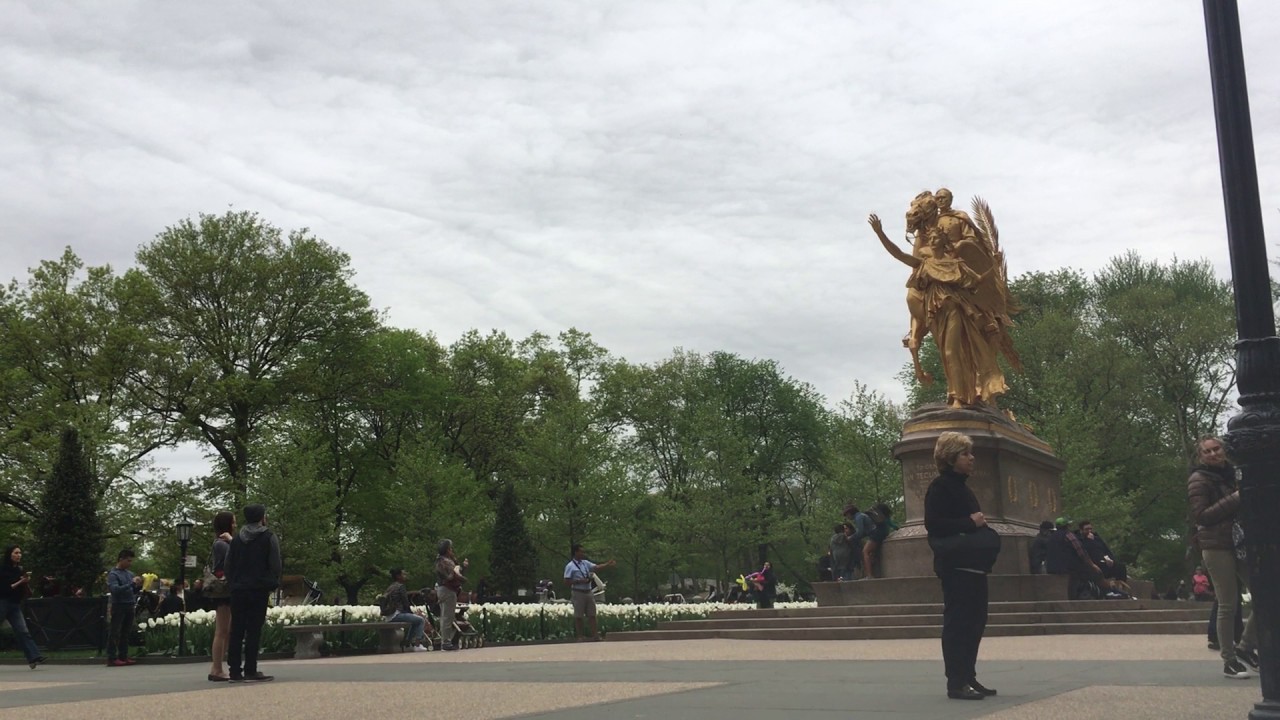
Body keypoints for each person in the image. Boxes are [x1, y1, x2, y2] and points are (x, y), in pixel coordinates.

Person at [924, 432, 997, 701]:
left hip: (973, 566)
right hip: (956, 567)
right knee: (959, 624)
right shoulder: (940, 487)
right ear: (951, 457)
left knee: (975, 622)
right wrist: (971, 522)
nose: (971, 458)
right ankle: (955, 682)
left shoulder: (963, 487)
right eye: (965, 453)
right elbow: (934, 525)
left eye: (970, 453)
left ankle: (969, 675)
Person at [1187, 435, 1259, 678]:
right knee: (1228, 603)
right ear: (1201, 456)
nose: (1213, 454)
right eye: (1207, 451)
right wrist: (1237, 497)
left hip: (1240, 542)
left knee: (1267, 595)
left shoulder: (1234, 474)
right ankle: (1229, 660)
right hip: (1216, 546)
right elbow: (1202, 516)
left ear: (1224, 450)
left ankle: (1246, 647)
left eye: (1216, 449)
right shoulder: (1199, 479)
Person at [224, 503, 281, 683]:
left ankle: (234, 671)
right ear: (261, 517)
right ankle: (251, 669)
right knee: (254, 630)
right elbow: (275, 564)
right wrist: (271, 581)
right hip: (258, 589)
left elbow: (228, 565)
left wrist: (233, 582)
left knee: (236, 630)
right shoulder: (268, 536)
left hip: (239, 589)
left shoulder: (237, 540)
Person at [0, 546, 46, 669]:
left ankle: (34, 657)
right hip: (3, 602)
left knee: (23, 631)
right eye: (16, 553)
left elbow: (20, 588)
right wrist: (20, 582)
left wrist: (25, 581)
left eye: (20, 553)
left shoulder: (19, 570)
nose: (19, 555)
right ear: (10, 555)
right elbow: (5, 588)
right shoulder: (3, 569)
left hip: (14, 605)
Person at [563, 543, 616, 641]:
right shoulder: (570, 566)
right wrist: (579, 581)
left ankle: (595, 635)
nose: (583, 553)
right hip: (578, 592)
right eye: (581, 551)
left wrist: (607, 564)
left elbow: (596, 567)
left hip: (588, 591)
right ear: (575, 552)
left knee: (592, 614)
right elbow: (566, 582)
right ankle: (580, 636)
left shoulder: (585, 563)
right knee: (579, 615)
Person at [207, 510, 235, 682]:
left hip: (225, 589)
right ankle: (216, 668)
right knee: (222, 630)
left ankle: (218, 667)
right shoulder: (222, 543)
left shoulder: (221, 543)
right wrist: (233, 543)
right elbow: (234, 559)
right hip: (223, 590)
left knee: (226, 630)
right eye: (233, 522)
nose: (235, 525)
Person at [105, 548, 142, 667]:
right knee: (115, 631)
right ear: (121, 560)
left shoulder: (129, 574)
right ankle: (111, 657)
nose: (129, 563)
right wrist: (131, 584)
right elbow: (115, 590)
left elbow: (132, 590)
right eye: (128, 561)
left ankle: (123, 655)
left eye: (131, 561)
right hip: (119, 605)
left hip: (129, 604)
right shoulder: (113, 574)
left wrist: (138, 586)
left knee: (126, 632)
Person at [383, 569, 432, 651]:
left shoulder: (391, 587)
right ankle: (417, 645)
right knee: (420, 620)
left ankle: (407, 644)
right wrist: (411, 613)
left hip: (389, 615)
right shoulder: (400, 586)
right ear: (398, 576)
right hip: (396, 614)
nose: (405, 576)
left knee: (414, 622)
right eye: (403, 574)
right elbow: (405, 603)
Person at [434, 539, 469, 651]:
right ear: (447, 550)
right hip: (447, 590)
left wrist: (462, 567)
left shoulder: (441, 561)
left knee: (446, 617)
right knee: (447, 617)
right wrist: (463, 578)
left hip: (444, 590)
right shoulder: (445, 562)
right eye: (450, 548)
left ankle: (446, 640)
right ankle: (446, 643)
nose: (451, 550)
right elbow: (452, 575)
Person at [863, 503, 898, 579]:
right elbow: (892, 525)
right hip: (884, 534)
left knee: (865, 551)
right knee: (872, 553)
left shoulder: (878, 517)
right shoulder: (886, 518)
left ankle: (869, 575)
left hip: (877, 534)